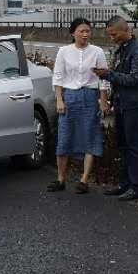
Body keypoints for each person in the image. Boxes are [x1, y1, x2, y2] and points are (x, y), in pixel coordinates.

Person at [46, 17, 109, 194]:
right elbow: (57, 77)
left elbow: (103, 80)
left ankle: (84, 180)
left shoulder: (97, 52)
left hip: (89, 96)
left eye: (88, 31)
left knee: (90, 135)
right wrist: (59, 99)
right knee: (64, 137)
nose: (85, 34)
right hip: (69, 96)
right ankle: (60, 179)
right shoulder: (64, 51)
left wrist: (103, 100)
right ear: (73, 33)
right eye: (81, 31)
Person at [95, 16, 138, 202]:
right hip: (121, 104)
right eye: (109, 35)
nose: (112, 38)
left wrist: (109, 74)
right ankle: (124, 183)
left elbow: (134, 79)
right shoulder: (121, 51)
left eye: (114, 34)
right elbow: (120, 79)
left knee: (134, 146)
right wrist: (110, 98)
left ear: (125, 30)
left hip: (134, 105)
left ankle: (136, 187)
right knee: (123, 145)